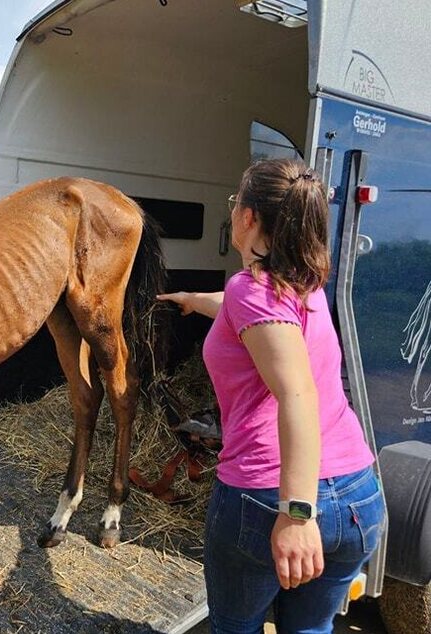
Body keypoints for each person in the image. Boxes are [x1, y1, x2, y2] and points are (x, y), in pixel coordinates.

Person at [158, 158, 385, 633]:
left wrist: (298, 514)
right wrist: (194, 300)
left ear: (247, 217)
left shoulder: (250, 289)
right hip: (358, 495)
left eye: (234, 202)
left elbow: (297, 395)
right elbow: (257, 315)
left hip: (270, 498)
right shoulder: (304, 283)